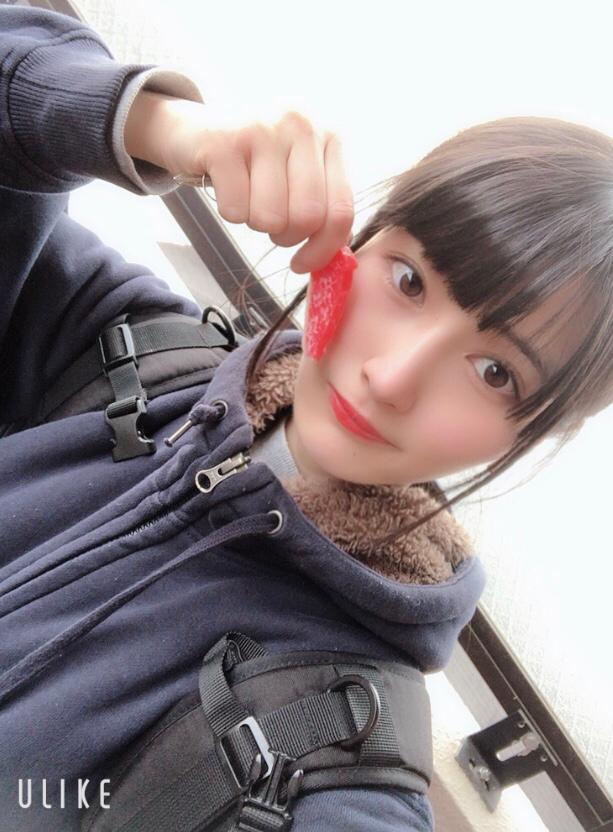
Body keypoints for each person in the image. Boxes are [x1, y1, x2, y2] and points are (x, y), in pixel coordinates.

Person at [0, 6, 611, 832]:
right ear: (354, 242)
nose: (392, 376)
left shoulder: (332, 746)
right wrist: (157, 124)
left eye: (495, 372)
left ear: (530, 432)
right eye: (407, 281)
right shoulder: (135, 356)